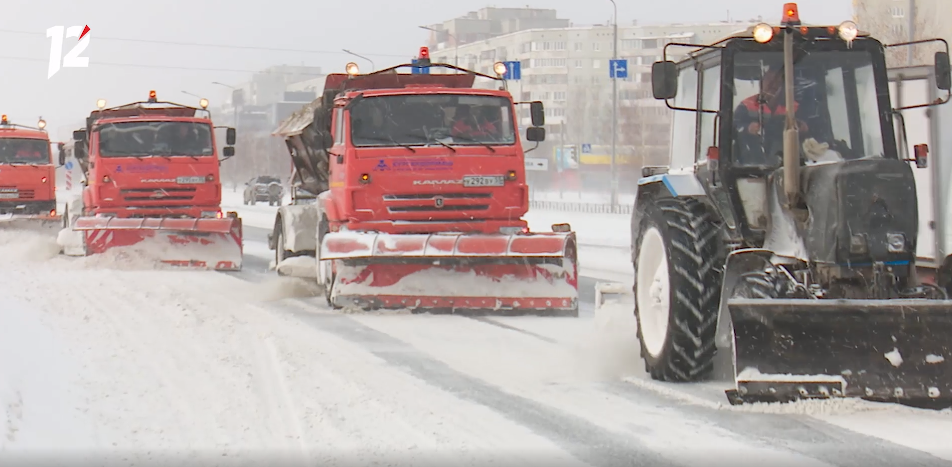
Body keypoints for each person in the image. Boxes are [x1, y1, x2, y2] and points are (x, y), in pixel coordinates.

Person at [734, 67, 810, 165]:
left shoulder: (794, 107)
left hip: (790, 164)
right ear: (761, 82)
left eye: (777, 81)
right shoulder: (746, 106)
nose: (772, 84)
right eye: (769, 80)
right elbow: (733, 128)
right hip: (753, 164)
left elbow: (815, 134)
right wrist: (747, 128)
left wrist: (805, 128)